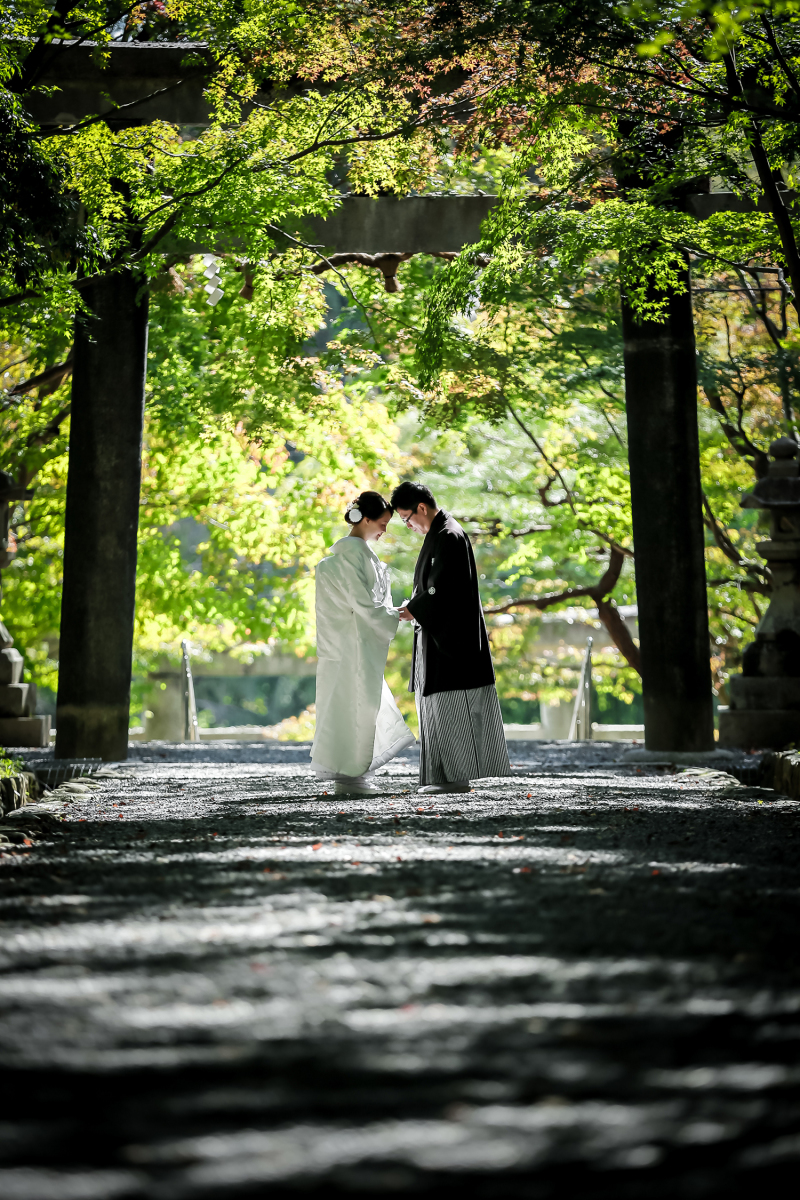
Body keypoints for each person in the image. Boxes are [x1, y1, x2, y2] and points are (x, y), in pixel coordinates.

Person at [392, 481, 511, 795]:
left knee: (450, 711)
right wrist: (416, 607)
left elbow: (439, 590)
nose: (408, 526)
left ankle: (455, 777)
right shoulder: (442, 534)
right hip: (438, 640)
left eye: (407, 518)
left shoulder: (449, 535)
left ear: (421, 507)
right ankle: (443, 778)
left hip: (452, 647)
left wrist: (414, 608)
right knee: (437, 712)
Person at [312, 490, 415, 795]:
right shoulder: (349, 560)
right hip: (351, 646)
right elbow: (363, 604)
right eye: (382, 523)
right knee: (354, 705)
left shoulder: (348, 558)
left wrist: (390, 614)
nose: (385, 530)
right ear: (365, 519)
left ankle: (353, 771)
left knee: (353, 705)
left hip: (347, 645)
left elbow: (366, 605)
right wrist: (393, 615)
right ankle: (350, 773)